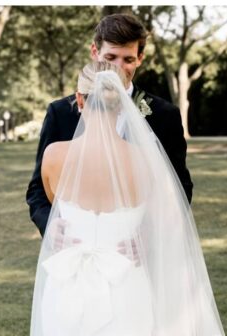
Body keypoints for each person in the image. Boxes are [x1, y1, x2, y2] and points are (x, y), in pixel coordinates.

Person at [27, 62, 227, 336]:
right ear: (122, 104)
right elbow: (169, 225)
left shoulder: (55, 156)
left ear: (79, 102)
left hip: (66, 285)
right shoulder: (146, 162)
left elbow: (54, 202)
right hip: (127, 282)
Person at [26, 12, 192, 237]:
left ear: (140, 59)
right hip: (73, 248)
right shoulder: (61, 112)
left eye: (128, 59)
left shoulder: (165, 115)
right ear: (95, 52)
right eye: (111, 57)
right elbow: (37, 189)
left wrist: (147, 236)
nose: (118, 67)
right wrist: (50, 225)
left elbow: (180, 188)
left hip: (138, 255)